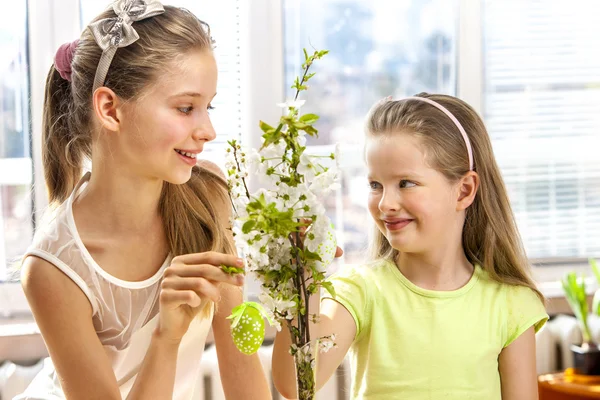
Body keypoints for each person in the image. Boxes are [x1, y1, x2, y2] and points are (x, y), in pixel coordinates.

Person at [16, 1, 270, 399]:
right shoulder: (54, 270)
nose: (208, 130)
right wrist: (166, 338)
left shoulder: (205, 194)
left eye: (208, 106)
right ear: (110, 109)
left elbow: (239, 357)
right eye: (186, 108)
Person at [271, 93, 548, 400]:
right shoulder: (359, 291)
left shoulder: (510, 304)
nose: (386, 203)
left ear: (463, 191)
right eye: (375, 185)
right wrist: (302, 282)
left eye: (405, 183)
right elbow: (296, 384)